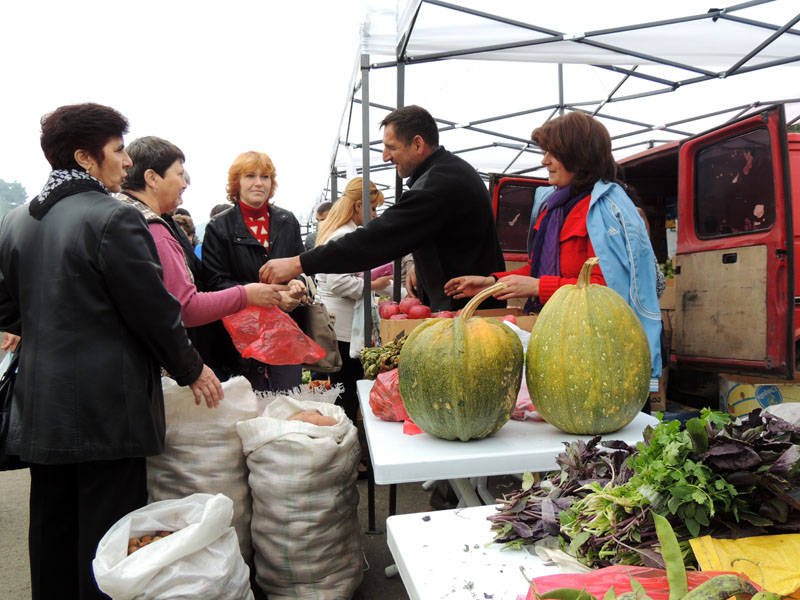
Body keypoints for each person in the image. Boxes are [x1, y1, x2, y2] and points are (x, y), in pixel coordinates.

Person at [0, 103, 222, 600]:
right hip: (106, 408)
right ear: (85, 157)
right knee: (105, 541)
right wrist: (191, 368)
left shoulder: (15, 221)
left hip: (40, 405)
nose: (126, 162)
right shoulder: (114, 217)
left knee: (53, 531)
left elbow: (8, 314)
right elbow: (154, 312)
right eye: (118, 151)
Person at [444, 111, 663, 384]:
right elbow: (538, 268)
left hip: (601, 352)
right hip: (561, 338)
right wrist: (492, 282)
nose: (544, 160)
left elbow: (609, 288)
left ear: (578, 156)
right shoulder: (554, 206)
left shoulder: (607, 209)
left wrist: (538, 287)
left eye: (553, 153)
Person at [260, 104, 506, 315]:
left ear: (418, 144)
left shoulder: (437, 184)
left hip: (468, 312)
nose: (386, 156)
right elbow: (446, 235)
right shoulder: (448, 172)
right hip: (464, 308)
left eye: (391, 147)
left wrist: (299, 263)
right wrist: (421, 267)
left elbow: (376, 239)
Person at [117, 136, 286, 331]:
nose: (184, 184)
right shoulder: (155, 230)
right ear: (152, 179)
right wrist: (247, 294)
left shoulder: (123, 215)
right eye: (180, 174)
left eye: (265, 177)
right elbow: (185, 306)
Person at [202, 150, 308, 392]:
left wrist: (296, 285)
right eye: (250, 176)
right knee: (249, 409)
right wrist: (266, 298)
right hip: (241, 340)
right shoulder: (219, 227)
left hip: (285, 333)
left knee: (288, 403)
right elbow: (215, 283)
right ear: (236, 183)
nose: (259, 183)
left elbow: (298, 263)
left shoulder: (287, 220)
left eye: (266, 177)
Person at [315, 178, 393, 424]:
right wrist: (373, 286)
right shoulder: (342, 237)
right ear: (359, 206)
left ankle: (346, 439)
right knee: (347, 389)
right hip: (342, 330)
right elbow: (339, 283)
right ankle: (347, 443)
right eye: (373, 208)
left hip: (344, 326)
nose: (376, 213)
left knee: (347, 388)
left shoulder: (344, 233)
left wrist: (389, 289)